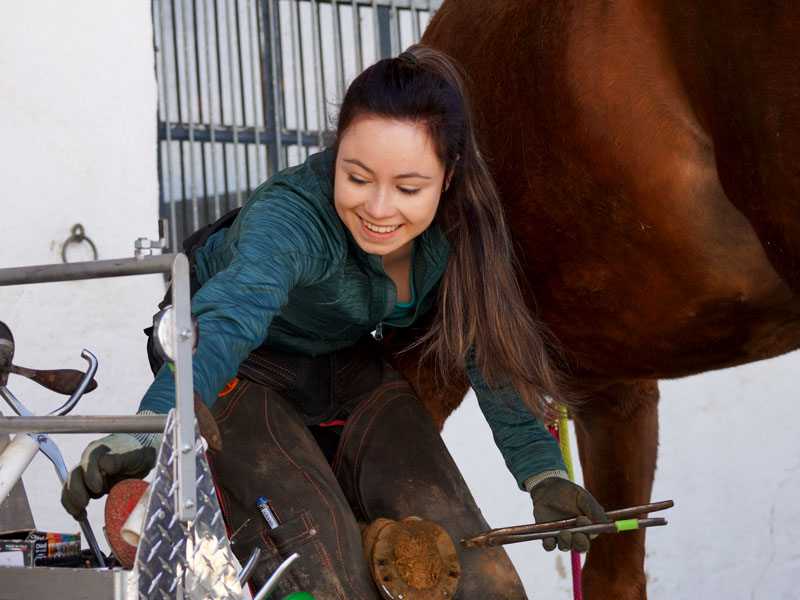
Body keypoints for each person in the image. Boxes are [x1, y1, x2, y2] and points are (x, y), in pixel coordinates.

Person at [61, 45, 607, 599]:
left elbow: (487, 352)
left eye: (408, 188)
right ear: (336, 152)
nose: (378, 207)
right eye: (358, 177)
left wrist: (545, 473)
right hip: (237, 366)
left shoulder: (464, 227)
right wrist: (153, 423)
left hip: (342, 362)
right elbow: (230, 317)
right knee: (322, 581)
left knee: (481, 579)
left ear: (449, 177)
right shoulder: (293, 214)